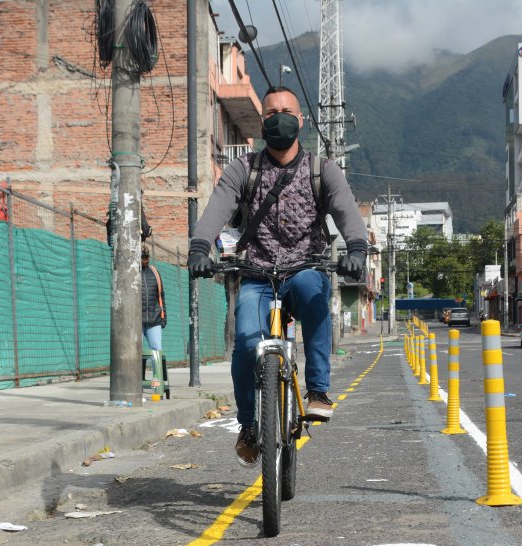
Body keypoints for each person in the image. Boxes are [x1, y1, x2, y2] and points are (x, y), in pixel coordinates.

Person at [188, 85, 370, 467]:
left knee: (314, 297)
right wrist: (199, 248)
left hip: (305, 267)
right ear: (262, 121)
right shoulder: (245, 169)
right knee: (244, 341)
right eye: (271, 113)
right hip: (256, 272)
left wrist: (357, 249)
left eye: (287, 111)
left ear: (300, 121)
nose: (279, 118)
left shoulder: (322, 170)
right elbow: (218, 206)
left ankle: (318, 391)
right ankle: (249, 426)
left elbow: (347, 212)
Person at [141, 245, 166, 353]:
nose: (145, 260)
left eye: (146, 257)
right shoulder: (130, 272)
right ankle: (139, 371)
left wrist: (163, 317)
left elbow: (161, 296)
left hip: (154, 319)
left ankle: (158, 370)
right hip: (136, 321)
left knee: (157, 351)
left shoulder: (155, 272)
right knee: (136, 353)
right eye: (142, 257)